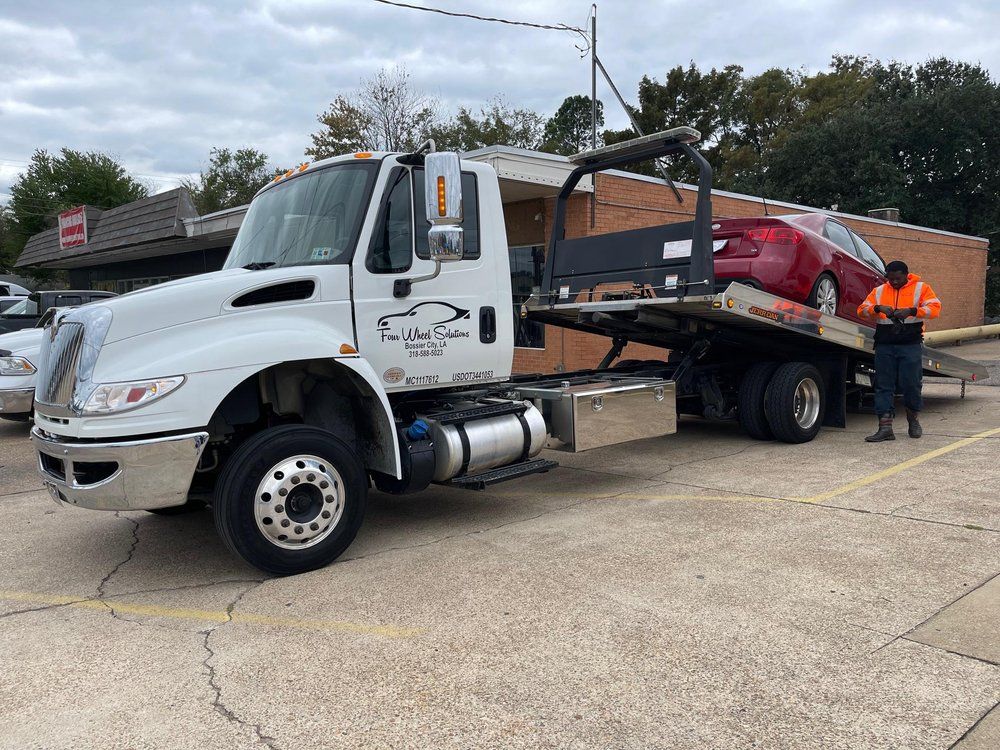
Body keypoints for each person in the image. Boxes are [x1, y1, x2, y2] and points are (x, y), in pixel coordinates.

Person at [857, 261, 941, 442]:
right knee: (883, 385)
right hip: (885, 344)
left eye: (898, 278)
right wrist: (877, 308)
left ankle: (913, 420)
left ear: (906, 275)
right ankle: (885, 428)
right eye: (891, 279)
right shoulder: (879, 291)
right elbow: (861, 311)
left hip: (910, 344)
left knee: (911, 384)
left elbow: (934, 309)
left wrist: (911, 311)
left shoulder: (921, 288)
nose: (894, 282)